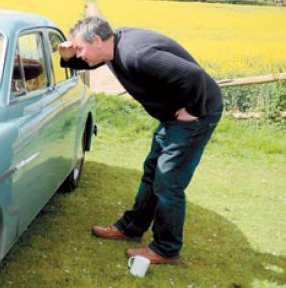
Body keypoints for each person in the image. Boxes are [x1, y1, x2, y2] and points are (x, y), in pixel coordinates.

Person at [59, 16, 223, 265]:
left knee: (168, 181)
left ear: (98, 40)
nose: (79, 54)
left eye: (80, 48)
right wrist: (68, 56)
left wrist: (192, 110)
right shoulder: (111, 49)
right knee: (152, 171)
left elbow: (193, 75)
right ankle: (131, 227)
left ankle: (166, 249)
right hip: (173, 116)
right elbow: (88, 62)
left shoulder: (137, 54)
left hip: (197, 115)